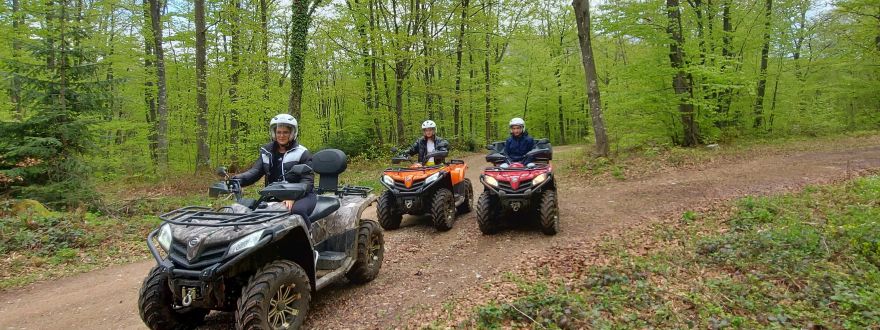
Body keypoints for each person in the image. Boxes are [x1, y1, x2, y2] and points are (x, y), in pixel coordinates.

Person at [232, 114, 316, 222]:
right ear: (274, 133)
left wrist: (293, 196)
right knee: (250, 211)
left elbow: (307, 180)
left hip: (302, 195)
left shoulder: (302, 152)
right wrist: (237, 180)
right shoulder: (267, 152)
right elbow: (255, 171)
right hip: (274, 195)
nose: (281, 135)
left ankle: (308, 236)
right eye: (279, 132)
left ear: (292, 133)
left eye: (285, 132)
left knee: (298, 211)